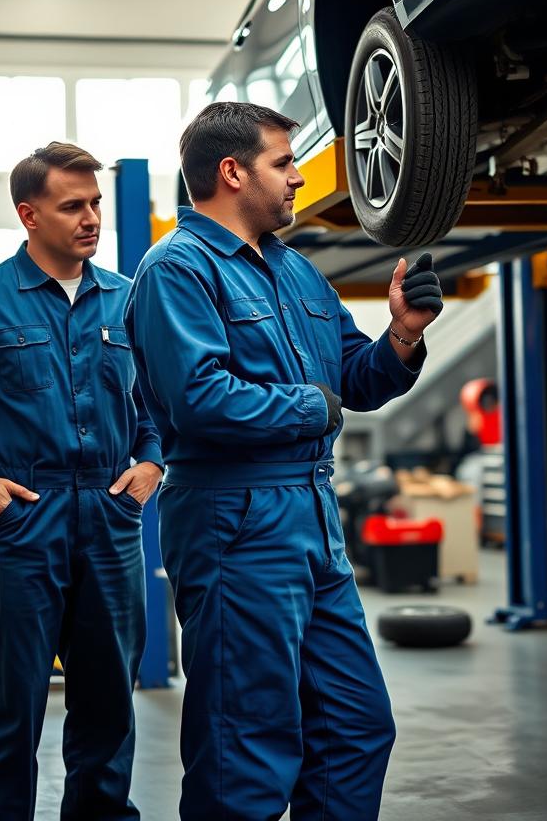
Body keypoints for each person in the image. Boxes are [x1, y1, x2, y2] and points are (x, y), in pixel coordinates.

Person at [124, 102, 443, 821]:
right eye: (283, 162)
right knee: (247, 746)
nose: (299, 178)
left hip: (312, 517)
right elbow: (200, 399)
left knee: (353, 725)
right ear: (232, 172)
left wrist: (400, 335)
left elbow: (356, 378)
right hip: (235, 519)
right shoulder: (177, 270)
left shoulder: (298, 273)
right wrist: (311, 407)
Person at [0, 142, 164, 821]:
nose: (90, 218)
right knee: (12, 709)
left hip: (110, 521)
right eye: (72, 205)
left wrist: (152, 462)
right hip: (24, 523)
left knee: (109, 706)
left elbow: (158, 404)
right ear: (29, 214)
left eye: (96, 203)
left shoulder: (127, 301)